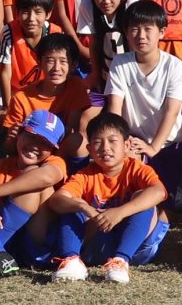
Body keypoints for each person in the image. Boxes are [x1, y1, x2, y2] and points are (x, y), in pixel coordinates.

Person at [45, 112, 169, 284]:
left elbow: (159, 192)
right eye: (97, 142)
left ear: (126, 145)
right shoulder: (85, 175)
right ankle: (71, 260)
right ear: (89, 149)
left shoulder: (137, 169)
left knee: (143, 197)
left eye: (112, 141)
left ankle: (120, 261)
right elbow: (56, 200)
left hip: (136, 249)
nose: (105, 148)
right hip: (97, 246)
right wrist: (84, 207)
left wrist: (119, 212)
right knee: (73, 203)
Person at [102, 0, 182, 197]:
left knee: (164, 198)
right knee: (129, 191)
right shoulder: (120, 63)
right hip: (134, 141)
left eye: (148, 29)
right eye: (134, 29)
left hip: (169, 145)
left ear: (162, 32)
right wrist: (120, 142)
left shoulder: (175, 66)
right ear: (126, 32)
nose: (141, 36)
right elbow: (114, 109)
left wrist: (154, 147)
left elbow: (172, 111)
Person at [0, 110, 69, 279]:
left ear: (53, 150)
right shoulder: (3, 165)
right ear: (19, 133)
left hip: (35, 247)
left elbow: (47, 177)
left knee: (33, 183)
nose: (35, 145)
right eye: (31, 136)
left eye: (44, 143)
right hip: (7, 244)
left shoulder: (55, 162)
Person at [76, 0, 132, 88]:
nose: (106, 1)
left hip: (130, 75)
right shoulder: (88, 5)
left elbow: (136, 45)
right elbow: (94, 42)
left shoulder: (130, 5)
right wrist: (96, 75)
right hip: (106, 75)